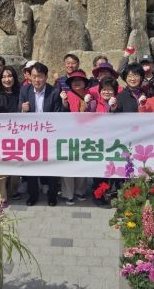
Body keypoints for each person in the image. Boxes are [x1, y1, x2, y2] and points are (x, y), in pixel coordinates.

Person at [19, 62, 62, 206]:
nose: (37, 80)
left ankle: (52, 196)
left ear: (46, 77)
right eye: (34, 76)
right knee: (32, 166)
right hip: (31, 136)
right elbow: (18, 113)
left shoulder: (54, 92)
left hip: (49, 136)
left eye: (40, 76)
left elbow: (58, 115)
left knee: (52, 166)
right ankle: (33, 195)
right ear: (30, 77)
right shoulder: (25, 90)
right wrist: (23, 109)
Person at [59, 70, 91, 205]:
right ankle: (68, 193)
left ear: (85, 82)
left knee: (83, 163)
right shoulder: (66, 95)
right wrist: (64, 102)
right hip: (69, 135)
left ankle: (80, 191)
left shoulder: (91, 95)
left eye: (80, 80)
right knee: (68, 164)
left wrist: (89, 104)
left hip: (86, 135)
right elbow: (60, 114)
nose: (77, 82)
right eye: (74, 81)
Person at [0, 65, 22, 203]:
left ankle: (13, 190)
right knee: (0, 166)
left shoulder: (21, 93)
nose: (7, 79)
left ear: (14, 78)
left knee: (15, 165)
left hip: (18, 136)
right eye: (3, 77)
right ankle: (1, 195)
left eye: (9, 76)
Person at [91, 77, 119, 207]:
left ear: (115, 91)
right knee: (99, 172)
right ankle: (98, 196)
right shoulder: (93, 104)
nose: (106, 92)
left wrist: (113, 108)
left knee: (112, 171)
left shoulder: (119, 103)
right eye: (104, 89)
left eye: (110, 89)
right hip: (97, 143)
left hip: (114, 143)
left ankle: (111, 195)